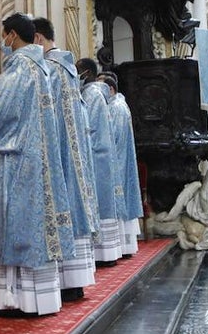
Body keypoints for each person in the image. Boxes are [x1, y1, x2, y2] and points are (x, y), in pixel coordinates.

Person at [0, 13, 76, 318]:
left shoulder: (20, 69)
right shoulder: (43, 69)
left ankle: (17, 300)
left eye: (3, 35)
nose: (2, 42)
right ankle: (36, 298)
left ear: (12, 36)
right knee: (33, 228)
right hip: (39, 159)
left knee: (18, 228)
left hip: (17, 162)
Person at [33, 16, 99, 303]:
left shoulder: (49, 68)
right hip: (74, 155)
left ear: (37, 39)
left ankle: (63, 280)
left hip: (56, 152)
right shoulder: (69, 68)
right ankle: (74, 279)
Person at [76, 58, 123, 266]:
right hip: (100, 154)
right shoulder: (96, 94)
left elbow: (89, 128)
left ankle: (105, 254)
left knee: (100, 204)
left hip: (96, 155)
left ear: (85, 73)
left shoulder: (92, 94)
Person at [100, 72, 143, 257]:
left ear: (110, 89)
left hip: (117, 163)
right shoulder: (118, 105)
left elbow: (112, 139)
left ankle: (122, 248)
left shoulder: (116, 107)